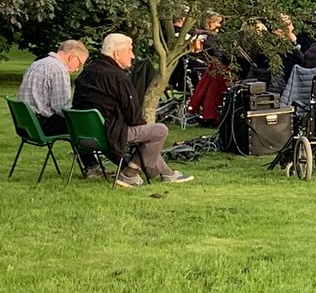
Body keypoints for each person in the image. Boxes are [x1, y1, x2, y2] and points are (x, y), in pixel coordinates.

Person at [72, 33, 194, 187]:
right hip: (109, 134)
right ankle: (130, 173)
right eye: (129, 50)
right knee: (159, 131)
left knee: (148, 137)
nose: (133, 55)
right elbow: (133, 117)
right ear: (117, 54)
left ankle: (167, 173)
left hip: (85, 133)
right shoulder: (118, 77)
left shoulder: (87, 72)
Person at [18, 39, 89, 136]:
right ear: (72, 57)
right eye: (80, 64)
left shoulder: (37, 63)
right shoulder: (59, 69)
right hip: (41, 125)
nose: (77, 69)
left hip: (25, 123)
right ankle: (87, 151)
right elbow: (61, 108)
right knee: (87, 126)